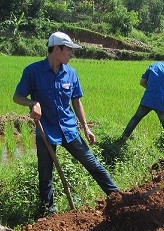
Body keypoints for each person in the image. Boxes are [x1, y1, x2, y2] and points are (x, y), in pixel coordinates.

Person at [13, 31, 118, 216]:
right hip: (45, 129)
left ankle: (117, 197)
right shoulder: (32, 71)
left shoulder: (71, 73)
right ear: (56, 49)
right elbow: (17, 96)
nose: (71, 54)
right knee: (45, 173)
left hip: (68, 129)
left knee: (91, 163)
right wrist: (33, 103)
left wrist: (85, 127)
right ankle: (48, 212)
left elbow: (77, 101)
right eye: (68, 50)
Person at [121, 51, 164, 162]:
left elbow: (142, 82)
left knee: (136, 118)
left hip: (147, 100)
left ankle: (123, 139)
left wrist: (153, 90)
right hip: (161, 103)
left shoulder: (154, 65)